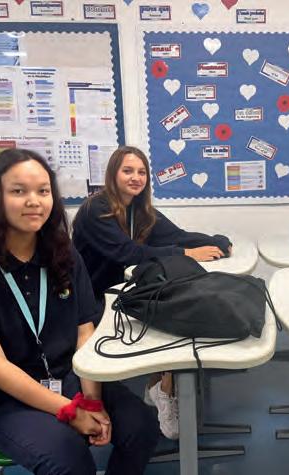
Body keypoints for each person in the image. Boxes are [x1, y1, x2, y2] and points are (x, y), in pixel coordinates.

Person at [0, 149, 159, 475]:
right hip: (5, 398)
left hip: (67, 377)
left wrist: (90, 400)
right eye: (19, 191)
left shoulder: (63, 254)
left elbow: (84, 331)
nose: (34, 201)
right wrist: (70, 412)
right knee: (69, 459)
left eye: (43, 191)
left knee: (142, 426)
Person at [73, 145, 232, 440]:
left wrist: (217, 241)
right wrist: (186, 253)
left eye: (141, 172)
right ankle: (161, 386)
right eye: (128, 171)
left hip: (126, 291)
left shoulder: (140, 210)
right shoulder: (96, 209)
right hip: (94, 297)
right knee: (165, 315)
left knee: (176, 306)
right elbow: (127, 253)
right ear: (113, 174)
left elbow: (177, 235)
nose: (136, 177)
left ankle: (161, 385)